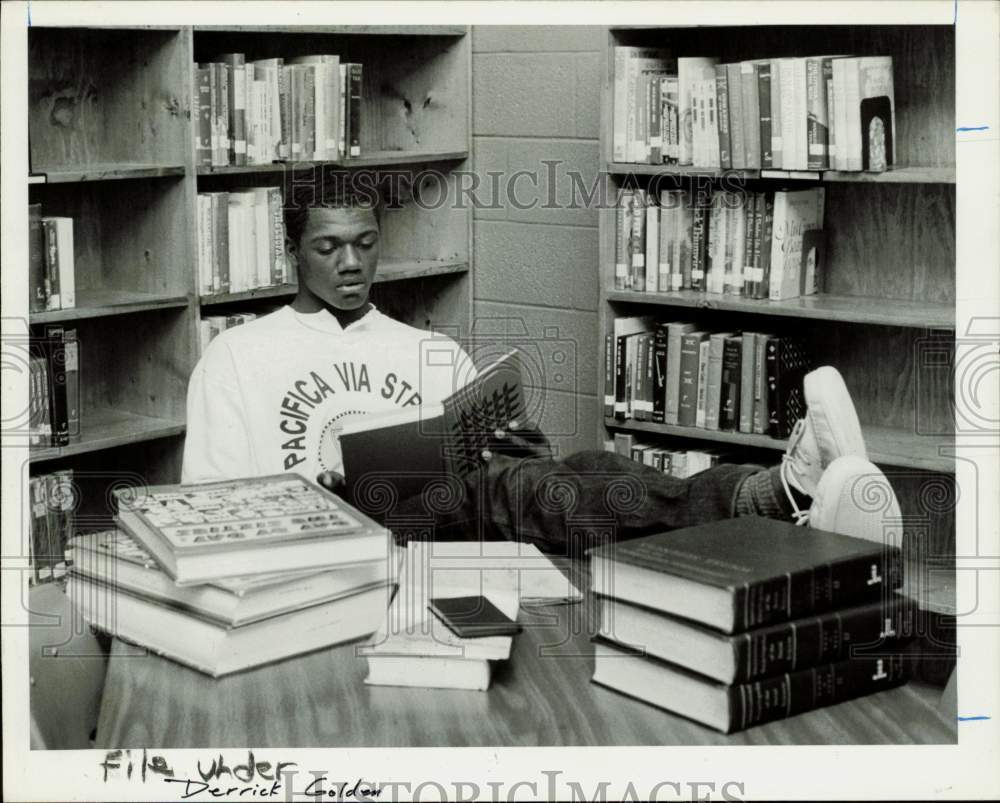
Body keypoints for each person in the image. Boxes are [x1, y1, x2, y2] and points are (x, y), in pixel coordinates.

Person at [182, 175, 901, 554]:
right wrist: (329, 491)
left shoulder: (422, 347)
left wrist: (518, 445)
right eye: (327, 246)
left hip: (451, 527)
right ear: (291, 254)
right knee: (527, 492)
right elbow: (207, 509)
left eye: (364, 243)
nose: (350, 263)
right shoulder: (236, 358)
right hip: (329, 536)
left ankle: (777, 492)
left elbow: (524, 475)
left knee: (586, 468)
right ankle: (782, 499)